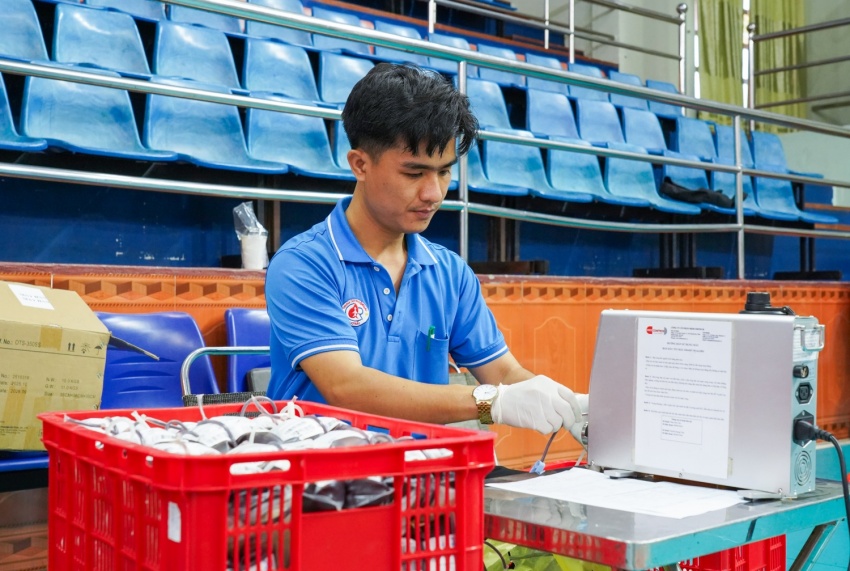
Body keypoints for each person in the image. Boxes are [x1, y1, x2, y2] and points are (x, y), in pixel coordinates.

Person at [265, 63, 588, 439]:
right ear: (360, 165)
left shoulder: (448, 273)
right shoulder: (303, 264)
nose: (434, 193)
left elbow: (504, 375)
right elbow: (347, 387)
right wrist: (491, 402)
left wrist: (567, 403)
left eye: (444, 172)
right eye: (414, 173)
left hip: (423, 478)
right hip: (321, 482)